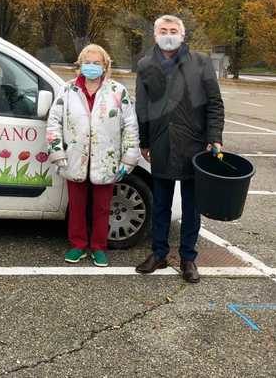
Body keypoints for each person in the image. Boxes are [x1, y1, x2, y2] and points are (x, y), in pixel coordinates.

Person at [134, 15, 224, 283]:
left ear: (183, 35)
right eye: (164, 30)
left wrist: (214, 136)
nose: (169, 34)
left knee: (191, 206)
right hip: (161, 145)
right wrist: (144, 141)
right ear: (155, 34)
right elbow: (142, 108)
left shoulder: (200, 62)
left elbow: (214, 103)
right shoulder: (145, 65)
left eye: (174, 30)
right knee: (160, 204)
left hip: (194, 146)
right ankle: (158, 253)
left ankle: (188, 258)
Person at [47, 44, 140, 267]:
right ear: (80, 65)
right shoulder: (68, 90)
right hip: (74, 158)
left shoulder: (118, 92)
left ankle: (98, 247)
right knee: (76, 206)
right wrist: (58, 153)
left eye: (96, 63)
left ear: (105, 65)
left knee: (102, 207)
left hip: (106, 160)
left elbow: (130, 126)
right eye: (87, 62)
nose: (91, 67)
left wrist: (128, 159)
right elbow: (53, 123)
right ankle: (78, 245)